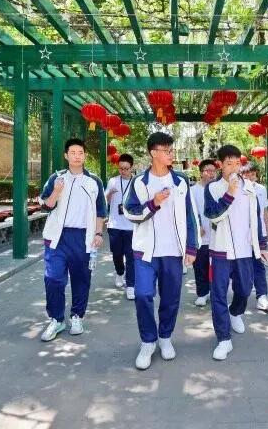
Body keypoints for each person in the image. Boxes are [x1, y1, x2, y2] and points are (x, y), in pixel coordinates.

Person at [123, 132, 199, 370]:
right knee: (143, 295)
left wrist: (191, 247)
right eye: (167, 150)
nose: (171, 154)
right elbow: (130, 212)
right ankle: (148, 341)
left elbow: (191, 215)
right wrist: (153, 203)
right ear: (153, 153)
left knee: (170, 298)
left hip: (173, 251)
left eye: (171, 150)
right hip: (144, 251)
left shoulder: (181, 181)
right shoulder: (139, 182)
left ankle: (165, 337)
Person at [38, 138, 106, 342]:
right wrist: (56, 192)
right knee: (53, 279)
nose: (77, 156)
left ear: (85, 156)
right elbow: (45, 206)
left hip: (82, 237)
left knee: (81, 279)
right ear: (66, 156)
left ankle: (77, 316)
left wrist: (98, 233)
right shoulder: (56, 178)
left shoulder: (94, 181)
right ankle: (56, 319)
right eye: (73, 153)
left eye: (80, 152)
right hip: (57, 237)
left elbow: (101, 211)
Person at [205, 145, 268, 361]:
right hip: (220, 250)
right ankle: (223, 339)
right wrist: (229, 194)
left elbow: (257, 218)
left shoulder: (250, 188)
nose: (233, 168)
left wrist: (262, 245)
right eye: (228, 164)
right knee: (218, 294)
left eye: (237, 163)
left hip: (244, 250)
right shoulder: (213, 188)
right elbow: (212, 215)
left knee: (245, 289)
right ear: (220, 165)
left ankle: (235, 312)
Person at [241, 163, 268, 311]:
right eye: (247, 174)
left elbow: (264, 211)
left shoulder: (261, 189)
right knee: (241, 265)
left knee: (259, 264)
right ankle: (240, 296)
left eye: (253, 174)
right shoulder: (237, 189)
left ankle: (262, 297)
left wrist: (266, 230)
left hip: (259, 234)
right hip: (241, 234)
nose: (250, 177)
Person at [105, 154, 136, 299]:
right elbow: (105, 200)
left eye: (126, 168)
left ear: (132, 167)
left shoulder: (136, 182)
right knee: (117, 253)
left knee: (131, 256)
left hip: (131, 226)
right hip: (115, 224)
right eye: (121, 168)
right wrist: (110, 193)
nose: (123, 171)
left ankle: (131, 286)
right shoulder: (113, 181)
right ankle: (119, 272)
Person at [190, 159, 217, 307]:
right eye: (208, 171)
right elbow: (191, 211)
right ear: (201, 173)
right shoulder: (193, 190)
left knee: (216, 267)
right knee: (200, 266)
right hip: (201, 236)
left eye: (214, 171)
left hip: (217, 236)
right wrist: (198, 226)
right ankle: (202, 293)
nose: (211, 174)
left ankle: (215, 292)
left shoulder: (218, 189)